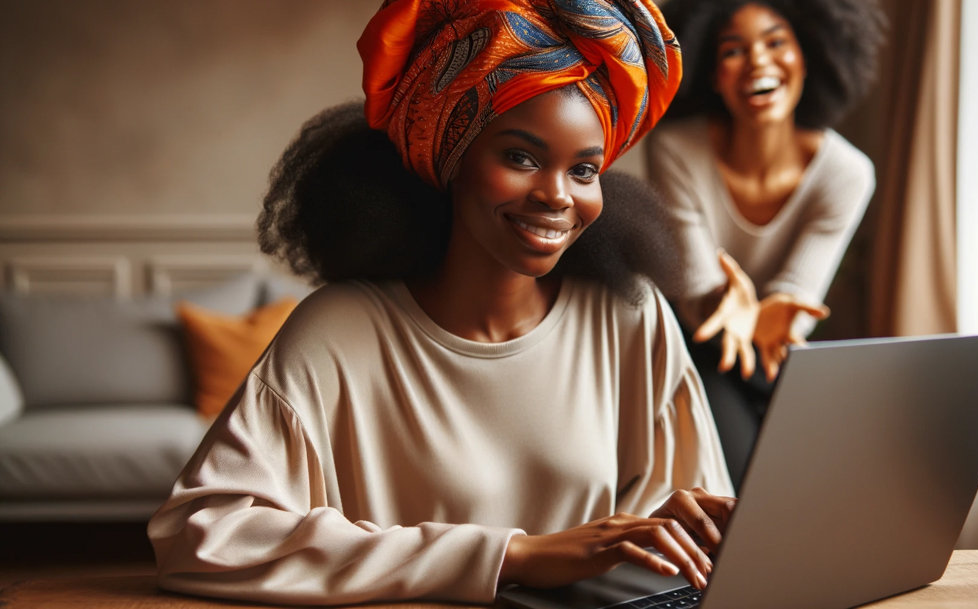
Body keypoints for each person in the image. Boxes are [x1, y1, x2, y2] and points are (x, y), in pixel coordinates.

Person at [147, 0, 737, 605]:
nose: (557, 196)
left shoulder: (628, 315)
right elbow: (202, 536)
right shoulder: (339, 331)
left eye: (584, 169)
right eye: (521, 157)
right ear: (449, 157)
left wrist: (694, 528)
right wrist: (513, 556)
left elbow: (697, 539)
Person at [644, 0, 885, 489]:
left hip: (778, 347)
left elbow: (796, 296)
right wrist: (725, 302)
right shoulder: (675, 149)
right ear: (711, 72)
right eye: (734, 50)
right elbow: (696, 294)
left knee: (825, 471)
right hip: (696, 340)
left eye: (776, 42)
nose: (758, 62)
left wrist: (769, 314)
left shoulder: (846, 173)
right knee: (739, 474)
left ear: (809, 55)